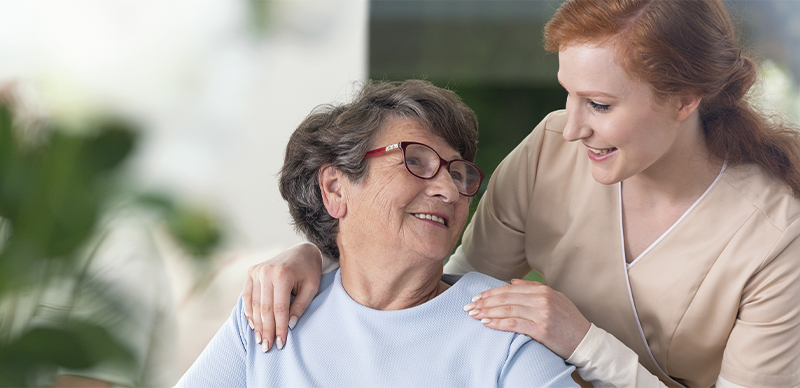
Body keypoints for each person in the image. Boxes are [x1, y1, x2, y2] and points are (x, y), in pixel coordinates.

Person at [239, 1, 800, 387]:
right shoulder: (553, 150)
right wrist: (319, 251)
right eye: (568, 95)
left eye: (600, 105)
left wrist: (584, 341)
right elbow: (435, 289)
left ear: (686, 99)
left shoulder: (775, 238)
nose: (572, 125)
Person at [175, 79, 578, 387]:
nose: (449, 189)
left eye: (458, 173)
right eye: (416, 161)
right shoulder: (270, 314)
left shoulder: (501, 332)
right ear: (335, 189)